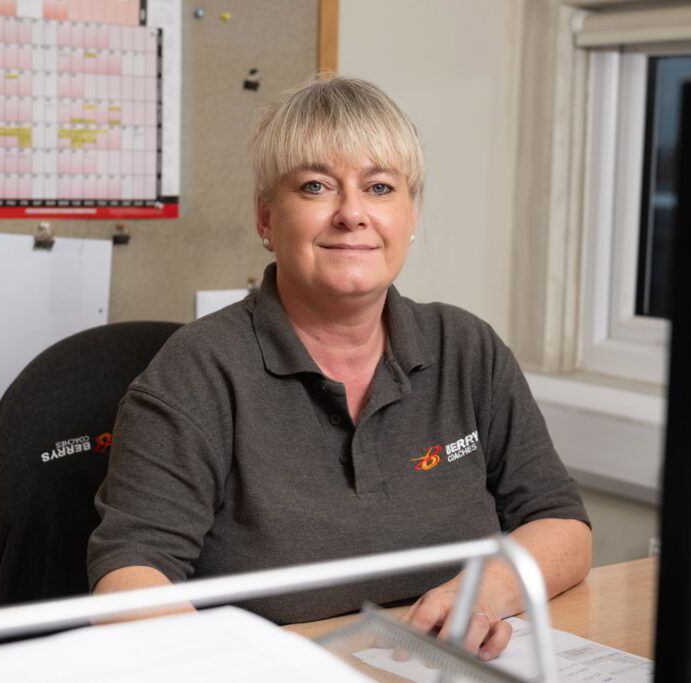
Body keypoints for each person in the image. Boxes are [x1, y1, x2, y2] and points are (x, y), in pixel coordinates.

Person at [87, 74, 591, 661]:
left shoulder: (467, 349)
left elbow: (561, 523)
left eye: (379, 187)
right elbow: (129, 576)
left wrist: (483, 592)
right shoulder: (197, 371)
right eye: (316, 186)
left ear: (411, 215)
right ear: (266, 218)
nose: (352, 214)